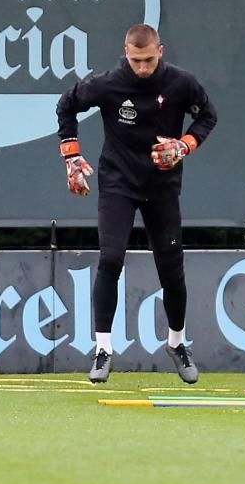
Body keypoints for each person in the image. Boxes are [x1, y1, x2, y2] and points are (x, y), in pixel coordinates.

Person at [56, 24, 217, 384]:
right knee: (110, 259)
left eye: (147, 59)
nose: (142, 67)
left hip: (162, 186)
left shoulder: (181, 83)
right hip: (118, 183)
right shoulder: (108, 83)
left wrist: (184, 145)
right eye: (135, 60)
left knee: (171, 269)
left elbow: (208, 116)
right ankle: (103, 350)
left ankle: (176, 343)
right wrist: (72, 158)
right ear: (125, 53)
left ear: (160, 51)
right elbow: (66, 106)